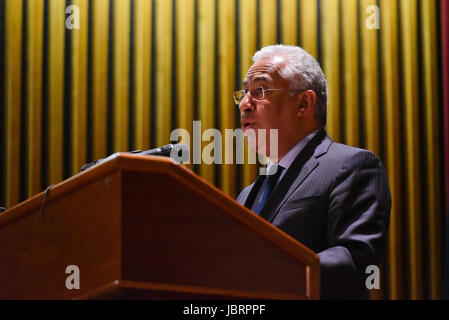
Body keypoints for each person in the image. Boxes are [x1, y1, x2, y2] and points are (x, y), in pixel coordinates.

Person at [235, 45, 391, 299]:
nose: (244, 104)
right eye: (244, 93)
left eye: (260, 91)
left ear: (304, 103)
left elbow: (353, 261)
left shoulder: (353, 165)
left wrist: (265, 274)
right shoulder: (246, 195)